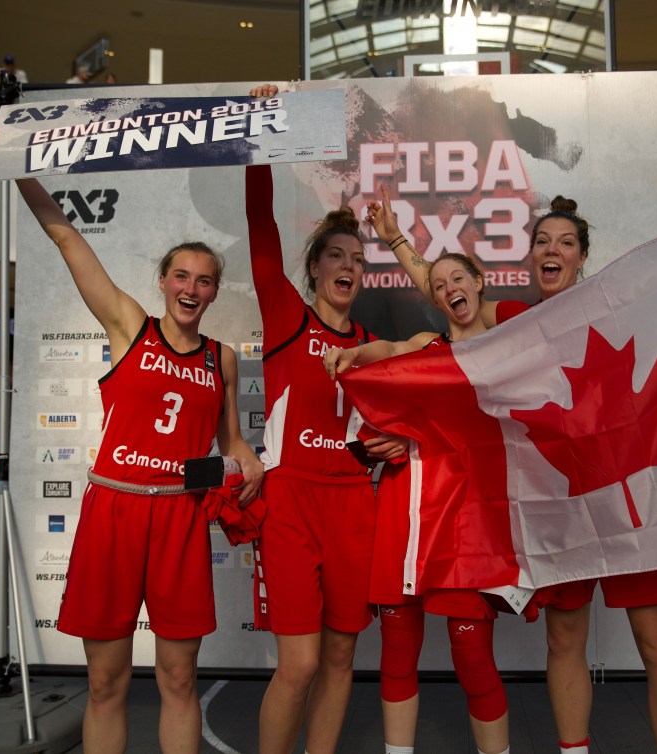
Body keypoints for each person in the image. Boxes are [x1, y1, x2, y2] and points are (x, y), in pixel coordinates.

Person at [369, 153, 657, 754]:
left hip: (630, 506)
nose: (552, 248)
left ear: (580, 256)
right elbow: (448, 292)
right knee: (565, 644)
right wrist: (396, 241)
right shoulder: (514, 319)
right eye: (542, 240)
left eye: (565, 241)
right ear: (531, 256)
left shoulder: (619, 303)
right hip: (563, 508)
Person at [0, 123, 264, 753]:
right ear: (163, 281)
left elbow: (233, 445)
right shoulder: (129, 325)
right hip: (114, 509)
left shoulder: (223, 358)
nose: (192, 288)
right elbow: (64, 235)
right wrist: (15, 163)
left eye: (205, 280)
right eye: (182, 276)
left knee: (177, 677)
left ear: (215, 291)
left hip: (181, 518)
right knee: (106, 682)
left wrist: (250, 463)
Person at [244, 83, 405, 754]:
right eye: (336, 256)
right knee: (300, 663)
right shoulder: (288, 320)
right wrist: (257, 137)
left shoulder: (369, 343)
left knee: (341, 659)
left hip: (352, 506)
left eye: (358, 259)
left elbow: (406, 415)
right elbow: (260, 231)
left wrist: (393, 443)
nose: (348, 266)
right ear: (312, 270)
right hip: (290, 503)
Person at [324, 252, 511, 754]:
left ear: (478, 283)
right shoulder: (428, 345)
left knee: (473, 656)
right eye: (440, 282)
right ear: (434, 298)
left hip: (466, 519)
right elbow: (386, 348)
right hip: (406, 509)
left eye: (459, 277)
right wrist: (355, 356)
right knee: (397, 649)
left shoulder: (510, 348)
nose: (451, 287)